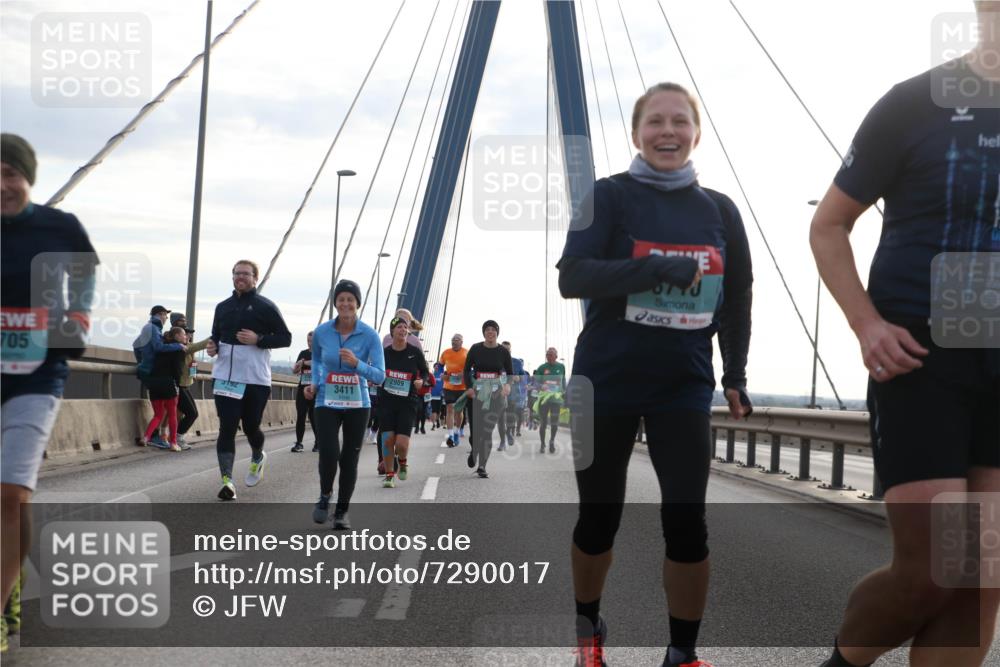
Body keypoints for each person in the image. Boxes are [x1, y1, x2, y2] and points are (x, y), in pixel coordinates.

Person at [810, 5, 1000, 665]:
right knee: (932, 571)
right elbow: (829, 225)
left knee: (983, 575)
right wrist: (866, 323)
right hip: (921, 355)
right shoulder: (914, 103)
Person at [558, 82, 753, 667]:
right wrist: (653, 269)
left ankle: (682, 653)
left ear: (697, 133)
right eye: (655, 121)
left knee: (688, 521)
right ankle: (589, 631)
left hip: (682, 385)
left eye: (680, 121)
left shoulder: (720, 211)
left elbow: (737, 297)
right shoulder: (607, 197)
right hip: (606, 381)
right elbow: (573, 276)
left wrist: (735, 374)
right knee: (599, 519)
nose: (668, 131)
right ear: (637, 133)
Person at [1, 133, 99, 632]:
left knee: (11, 493)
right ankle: (11, 580)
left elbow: (84, 272)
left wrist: (77, 316)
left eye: (10, 174)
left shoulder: (59, 227)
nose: (1, 185)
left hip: (37, 375)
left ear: (28, 178)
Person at [206, 259, 291, 500]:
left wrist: (258, 339)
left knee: (251, 426)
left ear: (255, 278)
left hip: (255, 379)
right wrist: (213, 347)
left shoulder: (266, 306)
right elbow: (215, 336)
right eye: (236, 273)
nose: (240, 277)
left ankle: (257, 455)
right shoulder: (222, 307)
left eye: (245, 274)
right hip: (225, 377)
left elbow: (285, 338)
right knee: (227, 427)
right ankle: (227, 482)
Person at [305, 280, 384, 529]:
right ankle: (325, 494)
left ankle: (341, 511)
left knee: (349, 458)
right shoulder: (322, 332)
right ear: (335, 303)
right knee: (328, 453)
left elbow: (380, 375)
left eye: (350, 299)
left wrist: (357, 364)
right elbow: (317, 361)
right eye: (341, 299)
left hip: (358, 403)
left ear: (357, 303)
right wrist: (314, 383)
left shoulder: (370, 335)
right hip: (325, 400)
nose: (346, 304)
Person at [378, 317, 430, 487]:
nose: (402, 330)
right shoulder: (384, 353)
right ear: (392, 331)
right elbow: (376, 371)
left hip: (407, 402)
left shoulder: (414, 352)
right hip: (387, 400)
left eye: (405, 327)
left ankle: (402, 461)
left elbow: (425, 372)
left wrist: (421, 380)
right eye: (399, 327)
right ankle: (389, 475)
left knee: (401, 443)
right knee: (387, 439)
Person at [462, 320, 513, 478]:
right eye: (487, 329)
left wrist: (507, 385)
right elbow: (466, 370)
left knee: (487, 430)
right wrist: (469, 387)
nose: (490, 332)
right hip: (476, 393)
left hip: (496, 395)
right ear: (484, 332)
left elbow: (510, 373)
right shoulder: (476, 348)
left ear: (497, 333)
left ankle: (482, 466)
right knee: (476, 432)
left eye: (493, 330)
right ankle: (474, 449)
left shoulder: (503, 352)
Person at [141, 326, 187, 452]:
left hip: (154, 383)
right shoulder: (179, 349)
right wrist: (178, 383)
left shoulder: (161, 348)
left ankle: (146, 438)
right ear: (177, 336)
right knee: (172, 414)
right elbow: (177, 369)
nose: (186, 337)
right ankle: (173, 443)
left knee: (158, 415)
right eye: (183, 334)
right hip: (169, 384)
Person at [170, 312, 209, 450]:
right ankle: (175, 438)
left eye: (190, 334)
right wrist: (216, 335)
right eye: (186, 334)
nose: (189, 336)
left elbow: (192, 364)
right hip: (178, 385)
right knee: (191, 413)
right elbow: (201, 345)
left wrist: (194, 372)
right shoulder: (180, 347)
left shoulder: (187, 348)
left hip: (185, 385)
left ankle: (174, 438)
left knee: (186, 413)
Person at [534, 347, 567, 454]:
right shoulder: (542, 367)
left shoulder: (561, 367)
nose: (548, 356)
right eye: (547, 354)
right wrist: (541, 386)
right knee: (543, 423)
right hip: (544, 399)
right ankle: (542, 444)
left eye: (551, 355)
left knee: (554, 423)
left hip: (556, 399)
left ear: (556, 356)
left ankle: (552, 441)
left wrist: (564, 392)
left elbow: (563, 380)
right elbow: (535, 382)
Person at [439, 333, 468, 448]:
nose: (454, 341)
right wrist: (442, 374)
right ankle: (450, 435)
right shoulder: (446, 352)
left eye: (457, 340)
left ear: (461, 342)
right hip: (449, 385)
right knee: (450, 408)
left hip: (462, 387)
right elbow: (440, 366)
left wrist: (464, 373)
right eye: (453, 340)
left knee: (459, 411)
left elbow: (471, 367)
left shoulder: (466, 352)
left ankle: (456, 432)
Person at [291, 331, 318, 453]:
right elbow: (295, 370)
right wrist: (297, 366)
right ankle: (299, 443)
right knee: (301, 415)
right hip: (302, 388)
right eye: (308, 341)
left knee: (314, 417)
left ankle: (318, 442)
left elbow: (318, 363)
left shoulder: (320, 353)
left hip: (316, 390)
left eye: (312, 341)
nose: (310, 343)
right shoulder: (303, 353)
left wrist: (304, 362)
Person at [430, 361, 445, 430]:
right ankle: (433, 424)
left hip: (440, 395)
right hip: (433, 395)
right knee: (434, 410)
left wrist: (443, 391)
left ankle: (437, 420)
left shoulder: (442, 374)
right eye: (435, 367)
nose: (436, 368)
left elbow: (444, 383)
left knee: (438, 410)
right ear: (434, 367)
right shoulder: (431, 375)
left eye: (437, 367)